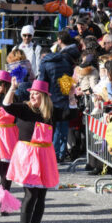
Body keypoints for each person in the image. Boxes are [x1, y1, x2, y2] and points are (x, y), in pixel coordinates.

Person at [3, 78, 58, 223]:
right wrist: (12, 88)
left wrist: (71, 96)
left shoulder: (49, 112)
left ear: (44, 97)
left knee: (41, 196)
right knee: (31, 194)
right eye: (32, 93)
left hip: (44, 156)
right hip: (27, 155)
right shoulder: (25, 109)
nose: (33, 96)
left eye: (36, 94)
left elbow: (70, 112)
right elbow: (6, 105)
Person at [38, 30, 78, 162]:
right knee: (63, 127)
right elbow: (67, 84)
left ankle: (53, 155)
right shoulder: (66, 62)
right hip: (63, 98)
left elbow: (42, 83)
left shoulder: (45, 63)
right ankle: (61, 153)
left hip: (50, 100)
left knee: (52, 128)